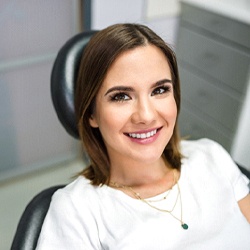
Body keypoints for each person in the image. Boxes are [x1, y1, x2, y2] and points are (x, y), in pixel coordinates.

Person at [36, 23, 250, 249]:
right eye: (121, 96)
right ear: (91, 113)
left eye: (159, 90)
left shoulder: (212, 157)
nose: (146, 116)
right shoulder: (75, 211)